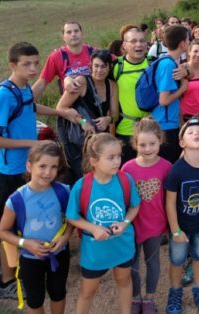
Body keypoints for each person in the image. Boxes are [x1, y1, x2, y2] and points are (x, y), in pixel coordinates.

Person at [0, 42, 78, 299]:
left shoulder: (23, 88)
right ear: (13, 65)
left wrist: (60, 112)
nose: (33, 68)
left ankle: (30, 270)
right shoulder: (4, 94)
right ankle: (7, 282)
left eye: (36, 63)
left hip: (31, 169)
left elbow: (31, 108)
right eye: (26, 64)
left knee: (32, 222)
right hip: (12, 172)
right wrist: (33, 143)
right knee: (11, 229)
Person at [66, 133, 141, 314]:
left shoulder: (125, 180)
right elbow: (72, 216)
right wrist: (93, 228)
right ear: (94, 161)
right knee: (88, 291)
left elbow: (134, 207)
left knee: (124, 280)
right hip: (95, 250)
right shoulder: (82, 186)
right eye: (111, 157)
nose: (117, 161)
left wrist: (124, 223)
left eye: (119, 156)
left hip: (121, 244)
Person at [0, 141, 72, 314]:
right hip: (30, 258)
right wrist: (25, 243)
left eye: (54, 167)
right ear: (29, 166)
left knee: (58, 293)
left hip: (59, 253)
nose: (48, 172)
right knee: (34, 299)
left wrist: (66, 237)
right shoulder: (16, 200)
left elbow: (71, 221)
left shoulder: (63, 191)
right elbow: (2, 231)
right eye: (42, 166)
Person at [165, 119, 199, 314]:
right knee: (177, 260)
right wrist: (175, 230)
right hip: (180, 227)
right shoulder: (176, 170)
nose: (196, 134)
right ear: (182, 143)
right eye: (190, 133)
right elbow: (170, 202)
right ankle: (175, 292)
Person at [122, 118, 172, 314]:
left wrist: (170, 224)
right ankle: (135, 299)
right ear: (135, 144)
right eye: (142, 144)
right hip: (132, 226)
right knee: (133, 264)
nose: (148, 148)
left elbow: (170, 199)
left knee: (152, 262)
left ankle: (149, 298)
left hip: (155, 225)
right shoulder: (127, 169)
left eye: (152, 143)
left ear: (160, 141)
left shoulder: (167, 167)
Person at [56, 49, 119, 184]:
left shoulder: (112, 86)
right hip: (77, 139)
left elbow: (115, 115)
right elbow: (60, 108)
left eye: (103, 66)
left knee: (97, 176)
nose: (99, 70)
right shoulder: (82, 82)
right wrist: (82, 121)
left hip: (97, 139)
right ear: (90, 66)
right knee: (82, 177)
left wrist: (108, 119)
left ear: (110, 67)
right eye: (96, 66)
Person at [152, 25, 190, 163]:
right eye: (188, 39)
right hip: (165, 126)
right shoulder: (168, 65)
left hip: (169, 123)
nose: (189, 42)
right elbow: (164, 100)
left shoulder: (170, 62)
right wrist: (183, 88)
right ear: (182, 43)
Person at [113, 25, 150, 163]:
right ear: (124, 45)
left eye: (142, 41)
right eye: (133, 41)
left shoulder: (154, 63)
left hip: (151, 130)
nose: (138, 44)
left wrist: (186, 71)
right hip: (125, 130)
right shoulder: (116, 66)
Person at [33, 21, 96, 98]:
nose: (73, 34)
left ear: (81, 33)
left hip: (96, 99)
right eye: (69, 32)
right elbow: (42, 82)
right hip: (70, 103)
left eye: (76, 31)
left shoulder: (93, 52)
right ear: (63, 37)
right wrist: (24, 101)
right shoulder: (56, 57)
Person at [182, 39, 199, 121]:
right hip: (186, 117)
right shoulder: (182, 69)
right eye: (195, 51)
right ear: (189, 52)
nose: (198, 54)